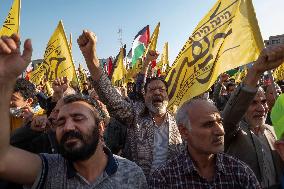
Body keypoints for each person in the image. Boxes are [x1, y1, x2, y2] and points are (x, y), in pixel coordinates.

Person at [0, 34, 147, 188]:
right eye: (61, 121)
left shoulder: (132, 174)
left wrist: (91, 60)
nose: (68, 127)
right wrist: (5, 80)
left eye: (78, 118)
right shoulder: (48, 169)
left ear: (100, 127)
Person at [77, 30, 183, 178]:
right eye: (152, 89)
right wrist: (90, 57)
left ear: (167, 95)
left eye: (161, 89)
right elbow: (110, 96)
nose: (157, 92)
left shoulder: (179, 122)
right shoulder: (135, 115)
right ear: (144, 96)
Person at [149, 98, 261, 189]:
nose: (220, 131)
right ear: (184, 131)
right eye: (208, 124)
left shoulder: (240, 172)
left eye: (220, 122)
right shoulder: (164, 179)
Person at [223, 44, 284, 188]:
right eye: (253, 103)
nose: (261, 107)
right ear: (243, 107)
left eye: (263, 102)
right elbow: (230, 117)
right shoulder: (232, 133)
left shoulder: (274, 131)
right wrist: (256, 70)